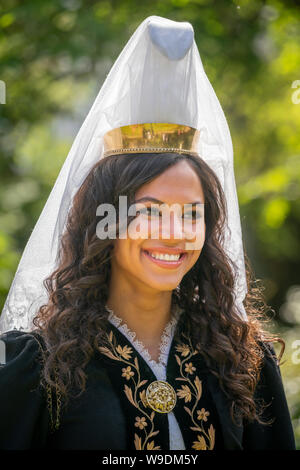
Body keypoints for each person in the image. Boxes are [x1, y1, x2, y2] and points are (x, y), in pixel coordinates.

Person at [0, 16, 296, 451]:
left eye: (191, 213)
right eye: (150, 212)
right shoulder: (36, 367)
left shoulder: (244, 360)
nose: (174, 234)